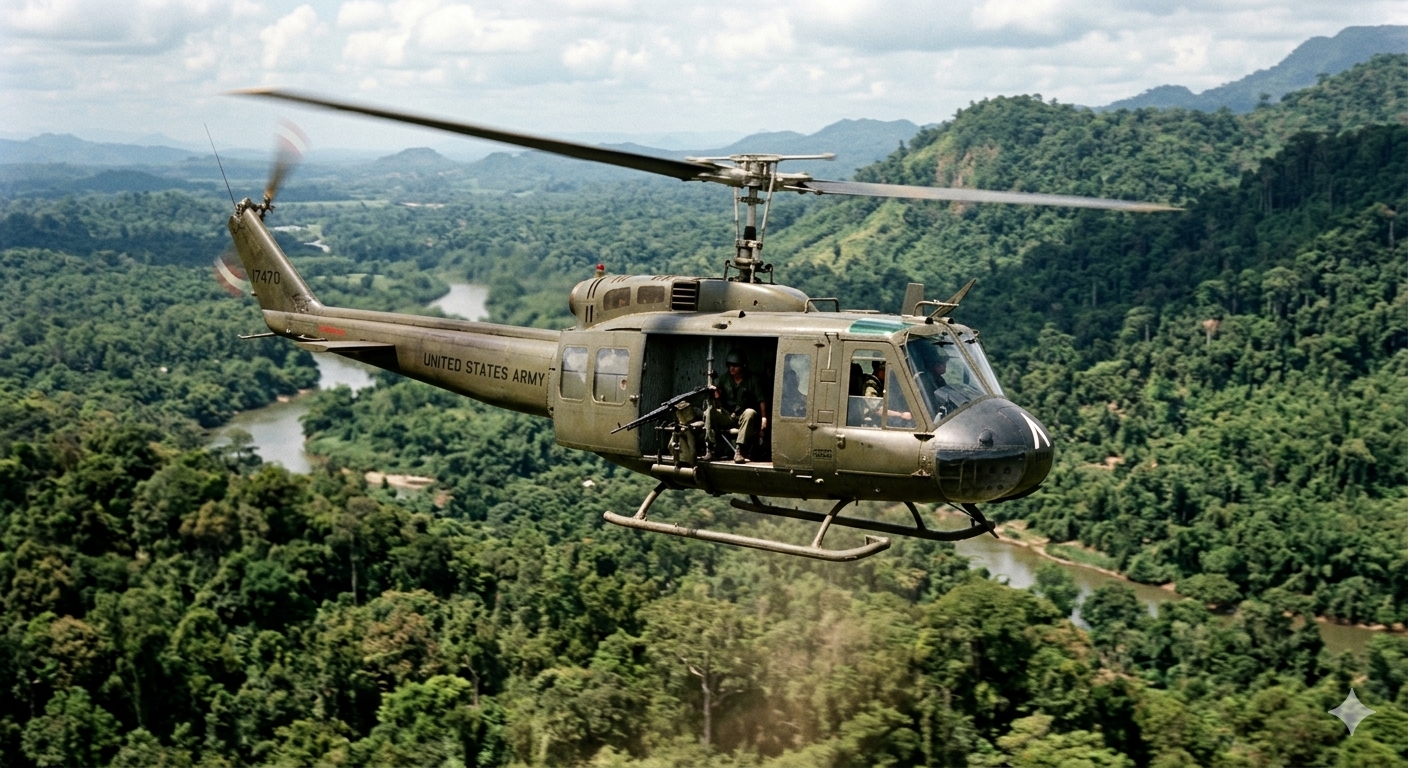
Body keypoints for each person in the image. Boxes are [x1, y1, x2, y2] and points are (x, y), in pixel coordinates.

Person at [705, 350, 768, 463]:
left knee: (750, 412)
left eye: (735, 365)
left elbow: (761, 400)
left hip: (743, 418)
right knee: (709, 412)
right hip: (728, 416)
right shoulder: (725, 379)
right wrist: (716, 394)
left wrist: (764, 418)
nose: (731, 368)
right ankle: (710, 448)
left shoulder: (752, 380)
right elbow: (717, 396)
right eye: (729, 365)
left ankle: (739, 450)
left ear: (743, 366)